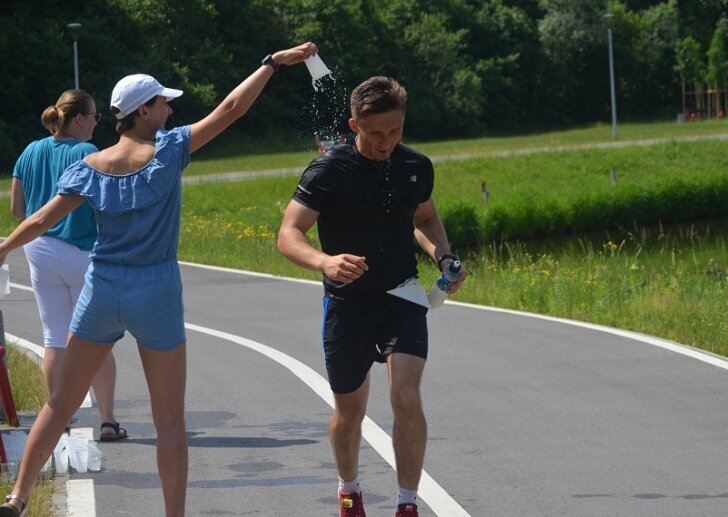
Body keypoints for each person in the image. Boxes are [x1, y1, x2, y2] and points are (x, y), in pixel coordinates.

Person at [0, 41, 317, 517]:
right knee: (168, 421)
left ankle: (17, 498)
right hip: (157, 291)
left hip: (102, 287)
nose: (170, 108)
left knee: (60, 403)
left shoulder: (88, 165)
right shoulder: (169, 149)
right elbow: (231, 110)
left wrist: (2, 247)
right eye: (164, 102)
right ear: (143, 111)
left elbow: (41, 219)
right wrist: (271, 63)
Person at [278, 76, 467, 517]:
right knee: (350, 412)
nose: (387, 142)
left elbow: (425, 217)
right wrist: (324, 262)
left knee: (405, 396)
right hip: (348, 303)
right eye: (377, 133)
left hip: (403, 294)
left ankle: (406, 504)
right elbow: (289, 234)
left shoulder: (415, 166)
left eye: (396, 131)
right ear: (354, 124)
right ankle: (349, 489)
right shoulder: (328, 170)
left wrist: (443, 257)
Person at [11, 89, 126, 441]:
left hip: (39, 249)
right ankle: (107, 419)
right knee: (97, 338)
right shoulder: (87, 152)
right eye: (94, 117)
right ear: (79, 118)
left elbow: (19, 207)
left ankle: (59, 419)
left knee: (54, 337)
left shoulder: (30, 150)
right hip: (81, 250)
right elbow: (106, 204)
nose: (95, 123)